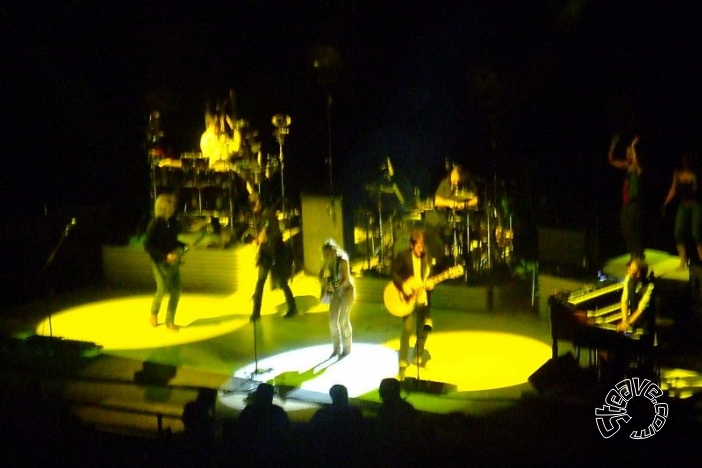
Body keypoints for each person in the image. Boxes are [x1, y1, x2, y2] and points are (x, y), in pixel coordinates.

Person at [391, 229, 435, 380]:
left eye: (422, 247)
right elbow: (394, 273)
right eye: (418, 247)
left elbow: (429, 276)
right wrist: (403, 285)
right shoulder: (403, 256)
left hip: (422, 298)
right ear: (411, 245)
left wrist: (431, 284)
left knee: (425, 327)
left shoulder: (426, 257)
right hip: (408, 298)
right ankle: (402, 365)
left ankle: (419, 353)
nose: (420, 250)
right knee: (407, 329)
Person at [250, 196, 297, 321]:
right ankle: (256, 312)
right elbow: (261, 233)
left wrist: (263, 239)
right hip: (266, 253)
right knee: (260, 281)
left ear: (260, 204)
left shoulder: (268, 214)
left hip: (276, 252)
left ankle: (292, 306)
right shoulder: (259, 216)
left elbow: (273, 234)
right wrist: (257, 240)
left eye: (255, 203)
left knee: (281, 282)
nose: (254, 206)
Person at [144, 193, 186, 331]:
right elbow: (148, 246)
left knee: (177, 288)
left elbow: (173, 241)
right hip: (159, 262)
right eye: (170, 205)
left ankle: (169, 321)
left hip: (172, 262)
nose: (172, 208)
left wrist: (184, 246)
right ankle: (154, 312)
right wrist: (164, 256)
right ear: (164, 207)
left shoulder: (170, 223)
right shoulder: (155, 224)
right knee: (161, 289)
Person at [662, 150, 702, 269]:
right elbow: (673, 189)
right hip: (683, 205)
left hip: (695, 205)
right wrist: (665, 203)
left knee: (696, 233)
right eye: (683, 160)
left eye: (687, 161)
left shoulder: (695, 173)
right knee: (678, 232)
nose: (685, 163)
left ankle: (701, 258)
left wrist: (693, 180)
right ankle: (683, 261)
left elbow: (697, 191)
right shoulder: (677, 173)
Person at [308, 384, 365, 466]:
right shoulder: (355, 414)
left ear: (332, 396)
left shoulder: (322, 414)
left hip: (327, 456)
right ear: (345, 395)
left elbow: (312, 434)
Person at [608, 133, 644, 260]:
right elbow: (611, 160)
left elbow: (635, 162)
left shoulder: (637, 168)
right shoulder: (627, 166)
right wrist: (613, 145)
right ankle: (633, 254)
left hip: (634, 203)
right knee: (624, 228)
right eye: (627, 153)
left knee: (633, 229)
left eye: (630, 153)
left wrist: (633, 146)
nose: (628, 155)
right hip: (626, 202)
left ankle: (638, 254)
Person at [234, 382, 290, 465]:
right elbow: (285, 434)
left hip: (252, 454)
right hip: (271, 455)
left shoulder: (249, 410)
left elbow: (239, 431)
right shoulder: (278, 412)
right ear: (271, 396)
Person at [319, 239, 355, 358]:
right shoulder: (328, 262)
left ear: (334, 251)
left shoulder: (343, 260)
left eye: (328, 254)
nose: (327, 257)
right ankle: (336, 348)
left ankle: (347, 347)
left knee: (343, 320)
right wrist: (324, 281)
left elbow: (345, 278)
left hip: (347, 291)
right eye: (325, 255)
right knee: (332, 320)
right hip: (336, 292)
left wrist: (334, 286)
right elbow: (323, 275)